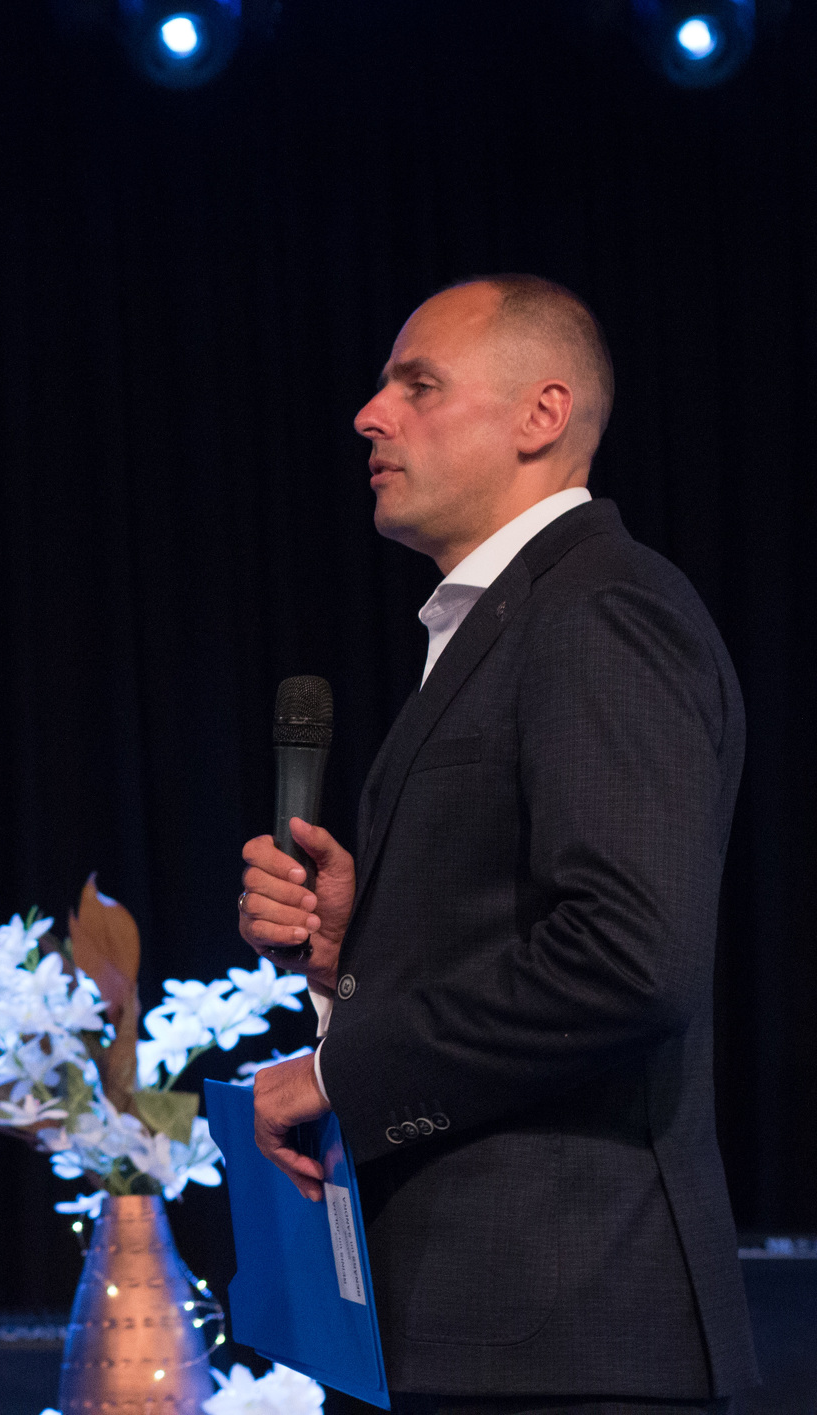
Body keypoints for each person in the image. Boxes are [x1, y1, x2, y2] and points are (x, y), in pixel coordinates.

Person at [235, 276, 757, 1412]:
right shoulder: (513, 619)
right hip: (474, 1335)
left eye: (417, 384)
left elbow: (628, 959)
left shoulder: (600, 610)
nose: (370, 413)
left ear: (541, 415)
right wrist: (352, 948)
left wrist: (333, 1075)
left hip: (565, 1341)